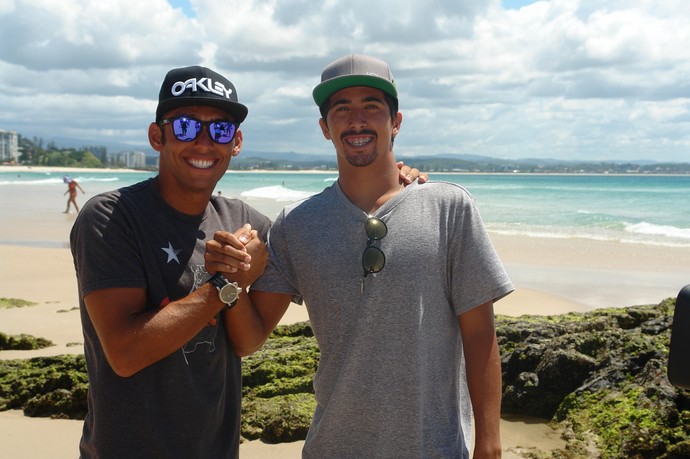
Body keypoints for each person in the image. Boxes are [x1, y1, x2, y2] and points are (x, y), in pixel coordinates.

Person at [70, 64, 425, 458]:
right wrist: (226, 284)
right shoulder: (112, 217)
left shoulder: (250, 225)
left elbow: (250, 340)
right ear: (158, 136)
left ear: (236, 142)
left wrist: (398, 187)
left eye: (220, 130)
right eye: (186, 127)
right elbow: (125, 354)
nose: (204, 143)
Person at [206, 54, 514, 458]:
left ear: (396, 122)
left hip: (435, 447)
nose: (357, 120)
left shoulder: (448, 207)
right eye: (342, 109)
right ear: (324, 127)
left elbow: (479, 334)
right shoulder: (295, 225)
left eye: (371, 106)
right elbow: (248, 340)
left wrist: (488, 444)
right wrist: (229, 279)